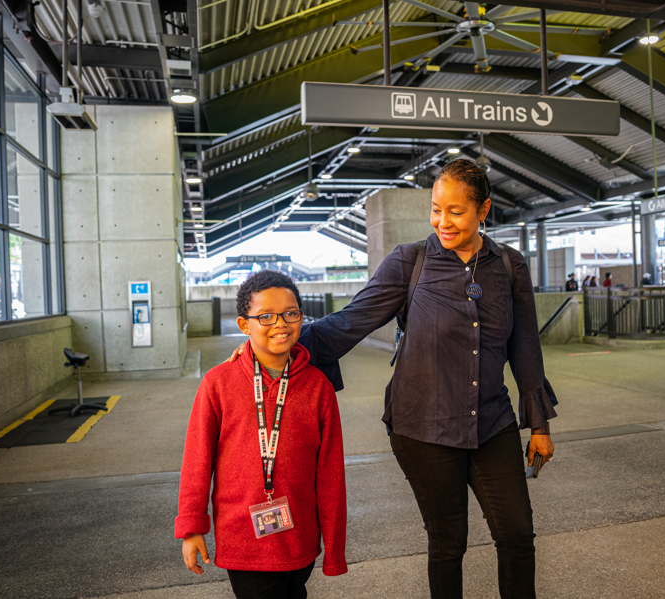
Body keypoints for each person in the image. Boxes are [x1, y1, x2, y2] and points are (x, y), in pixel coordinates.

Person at [229, 158, 557, 599]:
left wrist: (539, 424)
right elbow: (350, 322)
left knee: (517, 535)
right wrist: (273, 341)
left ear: (484, 210)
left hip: (491, 422)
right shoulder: (410, 262)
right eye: (436, 208)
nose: (443, 220)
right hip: (422, 427)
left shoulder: (510, 267)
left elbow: (524, 347)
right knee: (448, 541)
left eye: (456, 211)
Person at [178, 270, 348, 599]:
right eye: (266, 316)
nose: (280, 324)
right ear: (245, 325)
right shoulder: (218, 383)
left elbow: (330, 473)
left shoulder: (318, 387)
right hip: (243, 537)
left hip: (300, 536)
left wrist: (334, 546)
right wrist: (191, 525)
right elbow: (197, 459)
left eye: (290, 313)